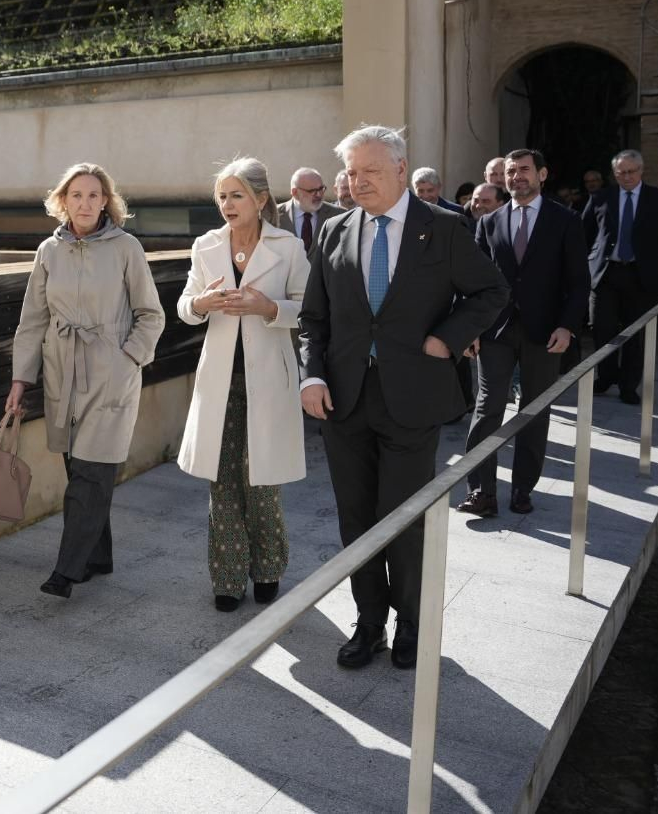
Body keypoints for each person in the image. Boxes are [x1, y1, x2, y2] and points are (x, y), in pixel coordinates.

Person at [300, 126, 507, 669]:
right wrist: (311, 376)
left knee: (405, 516)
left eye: (370, 171)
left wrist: (448, 337)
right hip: (343, 401)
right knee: (356, 519)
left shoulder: (444, 228)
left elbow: (491, 291)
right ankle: (369, 624)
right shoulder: (334, 231)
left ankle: (411, 622)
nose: (357, 181)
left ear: (399, 168)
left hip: (413, 398)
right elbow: (314, 320)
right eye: (351, 172)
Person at [7, 162, 166, 599]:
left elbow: (151, 314)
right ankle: (99, 557)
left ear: (106, 201)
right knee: (78, 466)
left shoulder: (126, 247)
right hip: (62, 374)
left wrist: (128, 358)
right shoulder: (48, 251)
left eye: (94, 195)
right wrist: (22, 379)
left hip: (110, 374)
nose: (85, 203)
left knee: (93, 472)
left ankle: (66, 570)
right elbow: (32, 320)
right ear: (63, 200)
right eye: (77, 195)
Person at [177, 158, 308, 612]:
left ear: (260, 199)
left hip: (269, 378)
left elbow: (308, 309)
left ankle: (268, 568)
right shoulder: (205, 245)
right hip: (219, 380)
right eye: (221, 196)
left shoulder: (288, 247)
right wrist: (202, 301)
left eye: (236, 195)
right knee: (222, 482)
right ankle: (228, 578)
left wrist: (267, 307)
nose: (227, 204)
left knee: (262, 480)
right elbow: (184, 307)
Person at [457, 149, 588, 518]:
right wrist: (471, 328)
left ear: (542, 174)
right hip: (494, 332)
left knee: (534, 410)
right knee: (487, 409)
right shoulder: (489, 222)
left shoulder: (566, 221)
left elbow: (578, 283)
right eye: (511, 171)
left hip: (545, 333)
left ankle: (522, 489)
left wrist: (567, 326)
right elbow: (475, 283)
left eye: (524, 170)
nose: (517, 177)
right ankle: (481, 491)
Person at [582, 149, 658, 404]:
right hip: (606, 275)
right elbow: (584, 232)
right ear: (614, 174)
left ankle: (629, 385)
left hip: (641, 276)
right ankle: (606, 376)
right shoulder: (601, 198)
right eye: (620, 173)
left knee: (635, 333)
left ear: (641, 170)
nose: (626, 177)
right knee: (601, 329)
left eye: (631, 171)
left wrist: (653, 258)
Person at [275, 167, 341, 256]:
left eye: (321, 189)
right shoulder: (274, 214)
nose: (318, 195)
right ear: (295, 193)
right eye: (312, 191)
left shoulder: (339, 215)